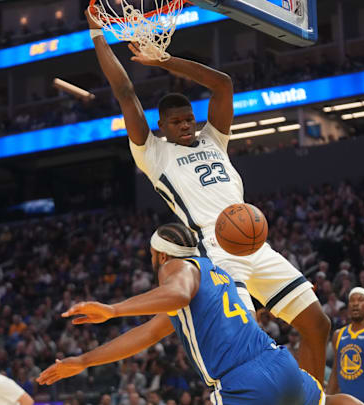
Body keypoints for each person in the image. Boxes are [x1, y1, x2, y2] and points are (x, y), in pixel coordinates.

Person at [81, 8, 330, 384]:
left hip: (256, 244)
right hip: (216, 249)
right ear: (161, 127)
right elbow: (125, 90)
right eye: (177, 122)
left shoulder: (214, 139)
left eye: (189, 118)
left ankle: (313, 398)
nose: (187, 125)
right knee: (243, 347)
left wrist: (165, 60)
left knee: (318, 324)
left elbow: (224, 84)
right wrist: (98, 34)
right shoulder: (153, 153)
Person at [36, 223, 362, 405]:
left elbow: (176, 291)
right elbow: (147, 333)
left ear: (160, 255)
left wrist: (112, 309)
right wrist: (82, 361)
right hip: (280, 363)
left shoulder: (179, 268)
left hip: (242, 382)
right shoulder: (213, 273)